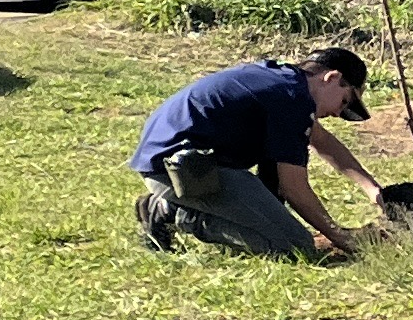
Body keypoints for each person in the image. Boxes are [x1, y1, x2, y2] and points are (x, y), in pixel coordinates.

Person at [133, 47, 385, 259]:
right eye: (344, 101)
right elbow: (293, 187)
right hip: (178, 170)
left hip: (179, 161)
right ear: (331, 77)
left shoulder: (284, 81)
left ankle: (181, 206)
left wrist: (372, 189)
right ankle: (174, 212)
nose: (339, 113)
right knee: (295, 248)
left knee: (276, 219)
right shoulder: (292, 98)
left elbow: (321, 140)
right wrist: (338, 235)